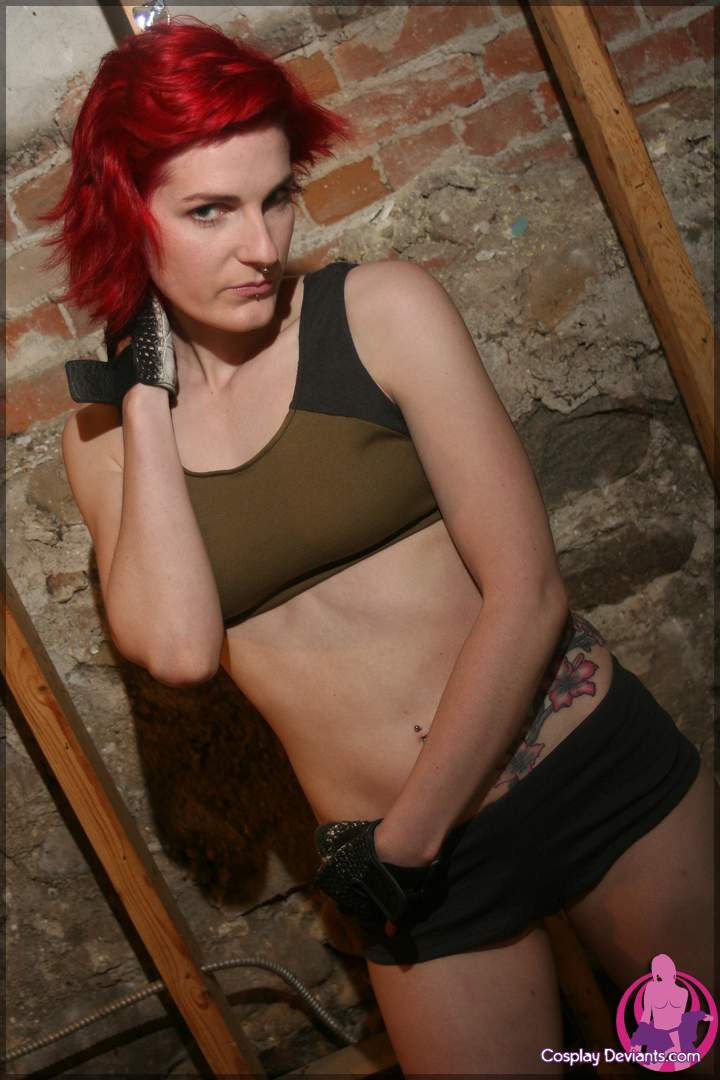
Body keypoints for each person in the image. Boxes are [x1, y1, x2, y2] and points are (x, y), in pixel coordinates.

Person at [49, 17, 714, 1077]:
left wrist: (406, 842)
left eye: (275, 197)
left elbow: (530, 594)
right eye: (210, 210)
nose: (262, 245)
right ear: (126, 216)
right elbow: (177, 649)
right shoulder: (105, 440)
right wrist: (142, 385)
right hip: (408, 880)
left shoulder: (381, 310)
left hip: (584, 779)